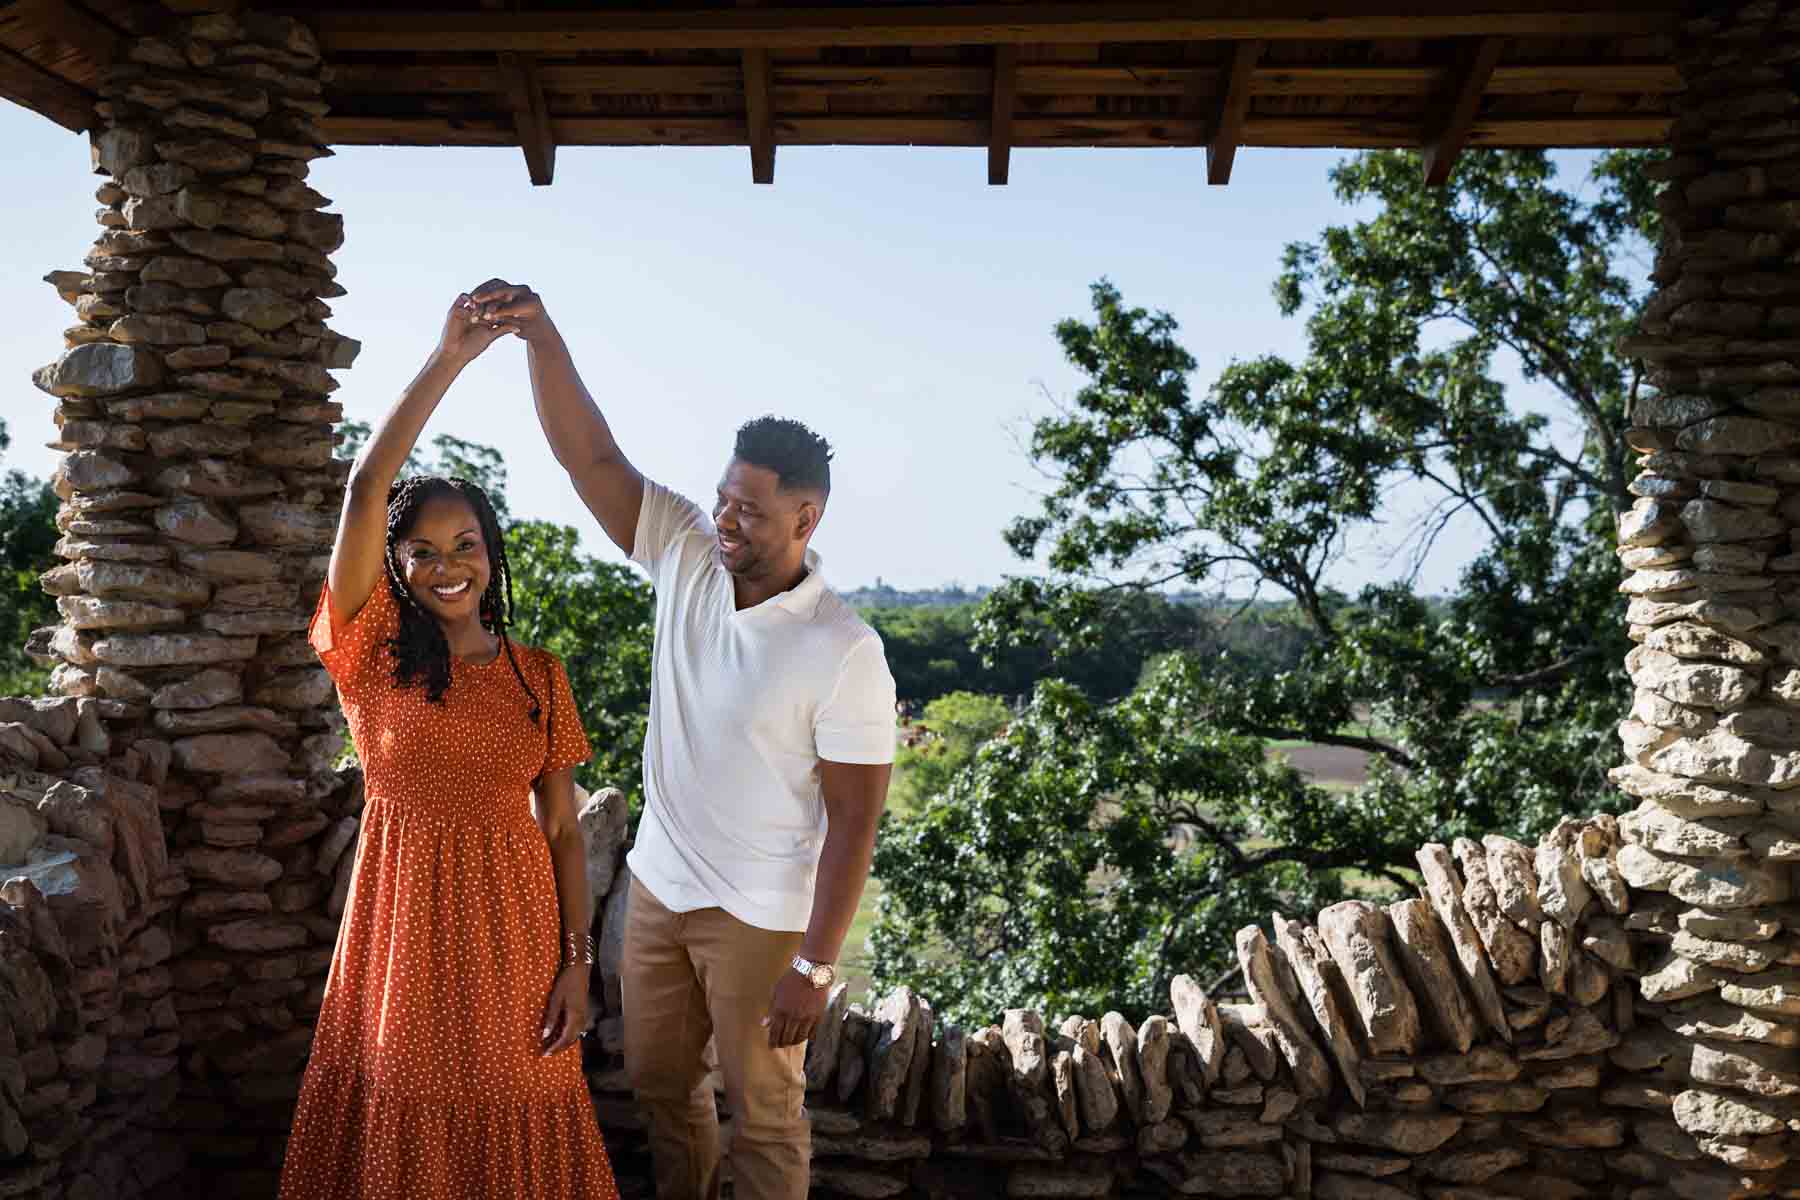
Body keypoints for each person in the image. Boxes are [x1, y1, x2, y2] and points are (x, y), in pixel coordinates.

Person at [466, 279, 897, 1200]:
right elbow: (591, 458)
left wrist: (817, 964)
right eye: (723, 498)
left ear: (805, 519)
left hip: (761, 918)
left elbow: (856, 824)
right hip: (659, 891)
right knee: (662, 1091)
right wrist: (541, 337)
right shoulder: (687, 554)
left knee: (767, 1116)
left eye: (748, 508)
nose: (726, 519)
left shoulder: (844, 648)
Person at [277, 292, 618, 1200]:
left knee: (520, 1094)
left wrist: (576, 967)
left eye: (465, 543)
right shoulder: (370, 653)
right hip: (403, 935)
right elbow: (364, 490)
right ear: (395, 567)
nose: (447, 565)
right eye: (422, 551)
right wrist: (449, 360)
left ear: (491, 552)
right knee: (409, 1097)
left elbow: (565, 834)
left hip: (517, 934)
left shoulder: (539, 674)